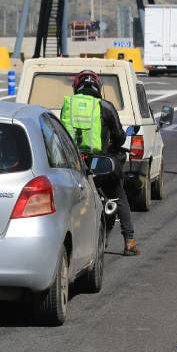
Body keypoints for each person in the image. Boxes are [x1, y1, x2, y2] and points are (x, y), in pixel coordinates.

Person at [61, 70, 138, 256]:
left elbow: (61, 136)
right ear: (98, 87)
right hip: (100, 163)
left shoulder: (68, 106)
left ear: (76, 87)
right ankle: (129, 242)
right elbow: (120, 137)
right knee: (119, 196)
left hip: (74, 164)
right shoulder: (105, 106)